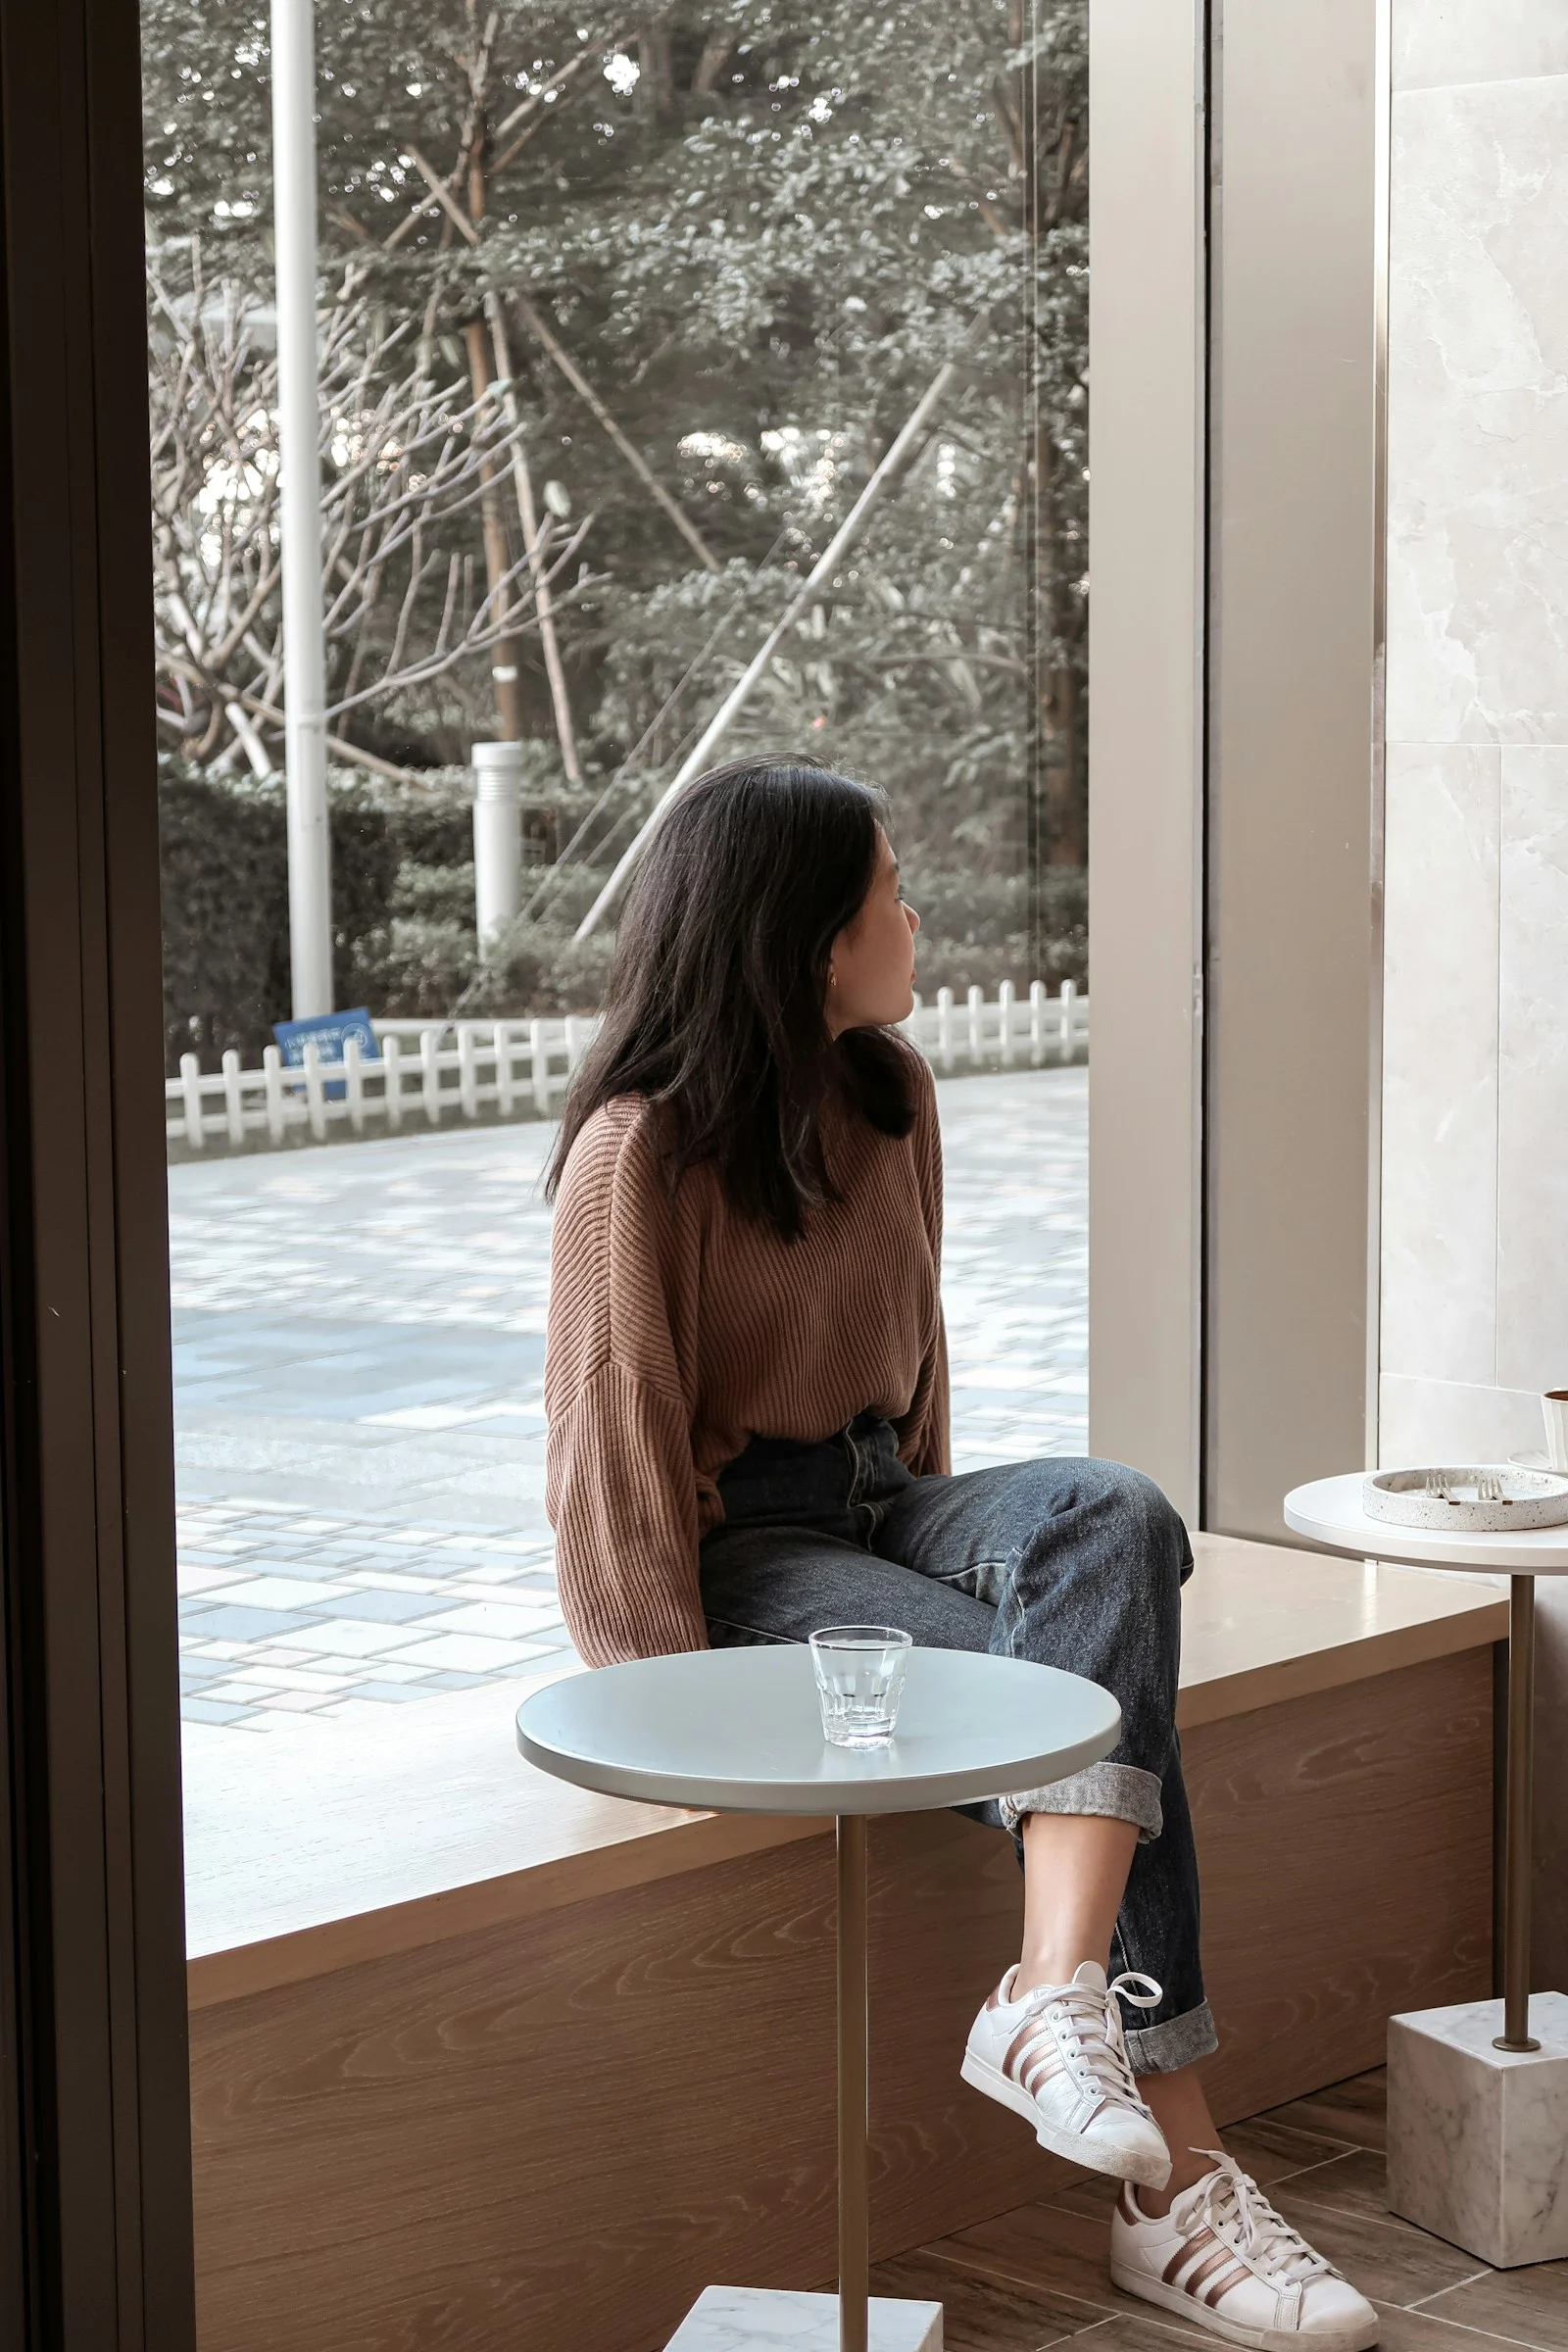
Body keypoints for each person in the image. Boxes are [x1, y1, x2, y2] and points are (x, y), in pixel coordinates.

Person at [545, 759, 1378, 2352]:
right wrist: (667, 1700)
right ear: (800, 937)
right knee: (1088, 1699)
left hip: (876, 1499)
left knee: (1116, 1515)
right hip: (748, 1554)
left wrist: (970, 1587)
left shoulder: (891, 1093)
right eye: (886, 888)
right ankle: (1175, 2184)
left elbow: (917, 1377)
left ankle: (1047, 1996)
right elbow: (609, 1460)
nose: (912, 912)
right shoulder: (637, 1158)